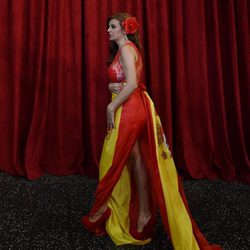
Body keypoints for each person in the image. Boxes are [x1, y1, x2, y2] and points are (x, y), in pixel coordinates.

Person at [81, 12, 221, 250]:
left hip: (129, 110)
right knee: (135, 160)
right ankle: (144, 216)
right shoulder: (125, 50)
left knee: (112, 159)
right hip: (132, 107)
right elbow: (126, 80)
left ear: (124, 29)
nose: (108, 30)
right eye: (108, 27)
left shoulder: (126, 49)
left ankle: (108, 212)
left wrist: (112, 104)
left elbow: (133, 84)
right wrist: (110, 86)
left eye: (112, 26)